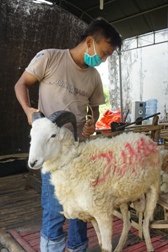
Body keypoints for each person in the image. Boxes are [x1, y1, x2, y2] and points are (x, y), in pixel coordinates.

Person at [14, 18, 122, 252]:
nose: (103, 59)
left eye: (107, 56)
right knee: (55, 207)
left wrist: (90, 124)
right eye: (104, 53)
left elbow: (94, 111)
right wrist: (28, 111)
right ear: (90, 41)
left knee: (80, 208)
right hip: (52, 152)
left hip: (77, 152)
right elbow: (21, 84)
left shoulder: (93, 76)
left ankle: (77, 248)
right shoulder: (50, 58)